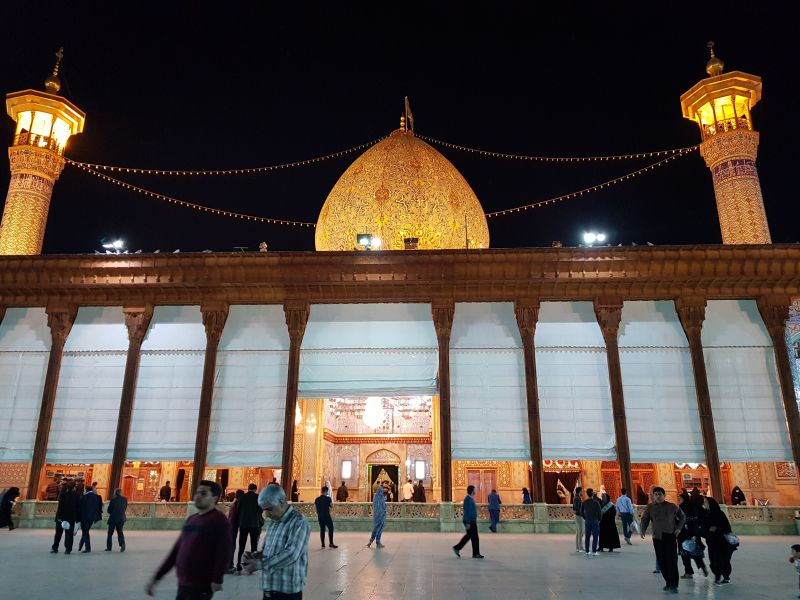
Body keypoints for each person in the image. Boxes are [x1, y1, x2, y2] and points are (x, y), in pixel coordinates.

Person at [146, 480, 232, 599]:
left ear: (214, 498)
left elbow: (224, 552)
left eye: (203, 494)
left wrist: (217, 578)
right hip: (184, 584)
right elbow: (176, 551)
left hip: (202, 585)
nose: (197, 496)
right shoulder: (192, 519)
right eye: (197, 493)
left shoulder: (219, 520)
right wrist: (157, 577)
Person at [241, 484, 311, 599]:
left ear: (282, 502)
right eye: (264, 510)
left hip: (287, 593)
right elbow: (268, 551)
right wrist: (255, 556)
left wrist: (259, 565)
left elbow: (291, 554)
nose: (267, 514)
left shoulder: (298, 522)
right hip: (269, 589)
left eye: (269, 509)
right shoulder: (274, 522)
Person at [640, 486, 686, 594]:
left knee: (672, 561)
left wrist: (679, 528)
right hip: (657, 537)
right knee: (662, 561)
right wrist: (642, 530)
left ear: (664, 495)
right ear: (653, 496)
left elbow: (682, 517)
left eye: (660, 494)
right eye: (655, 494)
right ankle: (668, 582)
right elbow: (645, 519)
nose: (658, 496)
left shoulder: (672, 506)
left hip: (669, 536)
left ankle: (674, 584)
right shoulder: (650, 507)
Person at [702, 496, 734, 586]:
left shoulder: (719, 514)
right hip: (711, 542)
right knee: (713, 560)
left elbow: (727, 528)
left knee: (722, 560)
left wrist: (717, 528)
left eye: (706, 502)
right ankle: (718, 576)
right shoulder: (706, 514)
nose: (704, 504)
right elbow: (704, 528)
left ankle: (724, 577)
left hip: (721, 542)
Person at [677, 492, 707, 578]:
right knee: (695, 552)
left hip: (683, 534)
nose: (679, 500)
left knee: (685, 554)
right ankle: (702, 566)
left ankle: (688, 572)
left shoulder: (681, 508)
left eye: (680, 498)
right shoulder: (693, 507)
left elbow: (677, 520)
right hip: (693, 533)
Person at [236, 483, 264, 572]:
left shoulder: (242, 497)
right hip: (254, 524)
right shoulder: (257, 497)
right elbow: (260, 510)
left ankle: (238, 565)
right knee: (254, 546)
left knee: (241, 546)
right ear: (255, 489)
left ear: (248, 489)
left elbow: (238, 510)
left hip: (243, 524)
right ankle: (252, 567)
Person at [452, 484, 483, 558]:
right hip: (470, 521)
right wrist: (468, 522)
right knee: (474, 537)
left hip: (471, 520)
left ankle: (457, 548)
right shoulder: (468, 499)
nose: (475, 491)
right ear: (472, 491)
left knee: (469, 536)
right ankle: (475, 553)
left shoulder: (470, 498)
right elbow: (468, 511)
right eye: (474, 490)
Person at [51, 479, 79, 554]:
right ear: (74, 487)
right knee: (69, 534)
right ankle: (68, 549)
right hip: (71, 518)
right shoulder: (77, 496)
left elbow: (60, 507)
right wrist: (77, 519)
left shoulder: (63, 495)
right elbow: (78, 508)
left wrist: (59, 517)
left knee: (58, 534)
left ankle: (55, 548)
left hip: (61, 517)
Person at [78, 483, 103, 552]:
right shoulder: (98, 497)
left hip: (84, 518)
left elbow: (80, 508)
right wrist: (97, 517)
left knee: (85, 532)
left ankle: (87, 548)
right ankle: (81, 544)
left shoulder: (83, 497)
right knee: (85, 531)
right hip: (92, 518)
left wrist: (77, 518)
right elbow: (99, 508)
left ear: (85, 490)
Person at [106, 488, 127, 552]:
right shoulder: (124, 500)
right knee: (120, 532)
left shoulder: (113, 500)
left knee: (110, 533)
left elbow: (109, 510)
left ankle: (109, 547)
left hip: (113, 519)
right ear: (120, 492)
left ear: (115, 493)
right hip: (121, 518)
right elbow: (125, 508)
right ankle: (122, 543)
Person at [581, 488, 602, 556]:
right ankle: (594, 551)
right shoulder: (596, 502)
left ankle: (587, 551)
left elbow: (581, 512)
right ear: (592, 494)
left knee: (587, 536)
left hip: (587, 520)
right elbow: (599, 512)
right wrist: (599, 519)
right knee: (595, 536)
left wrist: (585, 518)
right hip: (595, 520)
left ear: (587, 494)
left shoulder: (584, 502)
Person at [572, 486, 584, 553]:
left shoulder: (577, 497)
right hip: (578, 516)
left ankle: (578, 547)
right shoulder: (577, 498)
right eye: (582, 491)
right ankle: (580, 547)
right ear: (579, 491)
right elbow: (576, 508)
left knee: (578, 532)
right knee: (580, 532)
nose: (582, 492)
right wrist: (582, 513)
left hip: (578, 515)